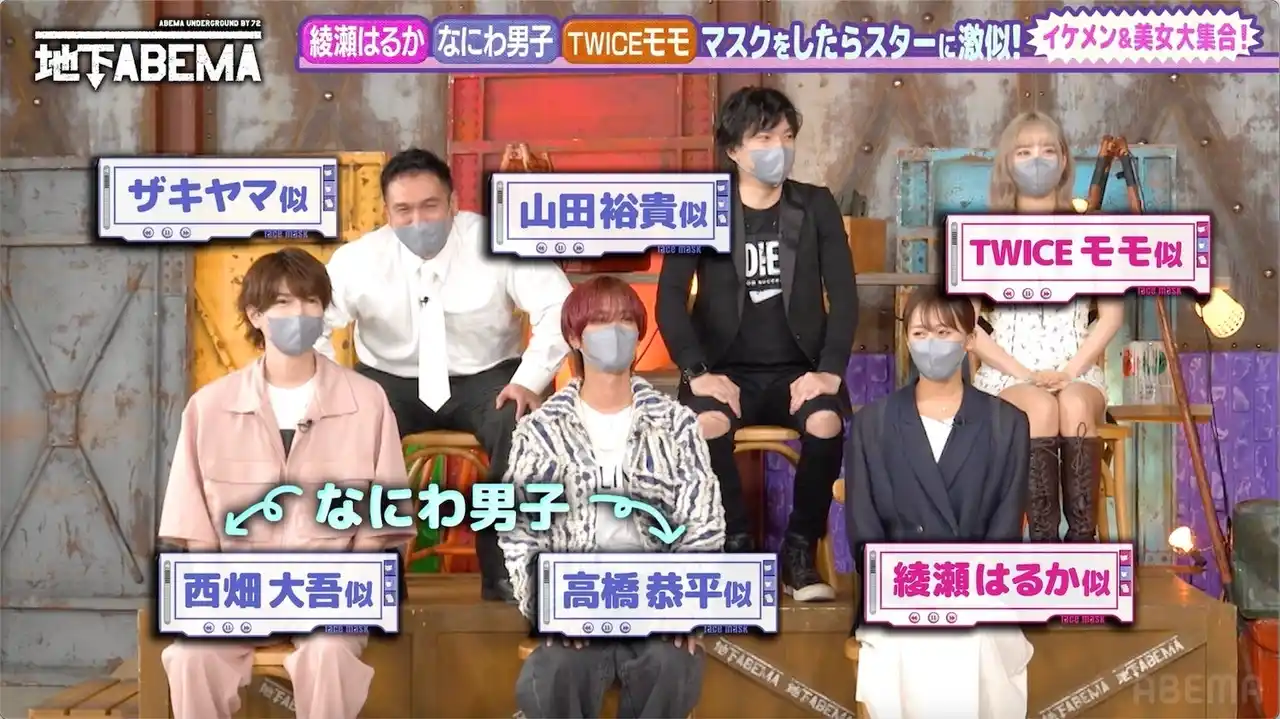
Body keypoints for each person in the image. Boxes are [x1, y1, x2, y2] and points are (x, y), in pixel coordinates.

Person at [158, 249, 416, 719]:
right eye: (283, 302)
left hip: (332, 592)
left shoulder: (367, 400)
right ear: (255, 315)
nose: (300, 313)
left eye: (311, 301)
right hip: (239, 591)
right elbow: (191, 521)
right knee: (189, 656)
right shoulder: (209, 407)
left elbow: (384, 519)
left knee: (328, 654)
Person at [317, 148, 573, 601]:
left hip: (488, 375)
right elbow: (312, 321)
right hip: (389, 378)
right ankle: (374, 573)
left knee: (523, 425)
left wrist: (530, 378)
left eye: (430, 206)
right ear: (387, 212)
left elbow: (560, 306)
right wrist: (335, 386)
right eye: (404, 210)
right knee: (352, 427)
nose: (418, 221)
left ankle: (505, 571)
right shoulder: (358, 260)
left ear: (453, 203)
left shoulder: (496, 241)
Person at [656, 86, 857, 602]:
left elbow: (845, 295)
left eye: (787, 137)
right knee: (704, 426)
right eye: (765, 138)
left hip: (800, 370)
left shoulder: (815, 205)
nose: (779, 149)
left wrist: (829, 372)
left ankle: (798, 553)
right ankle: (736, 548)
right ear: (734, 149)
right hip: (724, 372)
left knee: (826, 423)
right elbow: (670, 300)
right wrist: (697, 372)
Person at [501, 276, 724, 719]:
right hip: (576, 591)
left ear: (639, 333)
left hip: (654, 593)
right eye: (601, 321)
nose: (616, 330)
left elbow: (704, 522)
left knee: (673, 665)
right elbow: (521, 535)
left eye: (625, 320)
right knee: (555, 672)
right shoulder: (540, 430)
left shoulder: (676, 424)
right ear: (574, 337)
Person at [845, 287, 1033, 719]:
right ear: (907, 340)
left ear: (970, 339)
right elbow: (864, 532)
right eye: (920, 333)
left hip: (981, 592)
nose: (932, 344)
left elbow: (1005, 531)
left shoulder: (1007, 424)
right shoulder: (873, 424)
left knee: (971, 637)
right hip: (897, 591)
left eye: (945, 332)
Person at [971, 112, 1125, 542]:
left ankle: (1081, 542)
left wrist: (1070, 371)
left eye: (1047, 150)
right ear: (1008, 163)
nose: (1036, 160)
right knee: (1039, 408)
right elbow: (965, 328)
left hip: (1078, 371)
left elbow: (1112, 316)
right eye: (1024, 152)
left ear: (1063, 161)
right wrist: (1025, 374)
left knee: (1072, 405)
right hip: (1006, 376)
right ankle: (1044, 543)